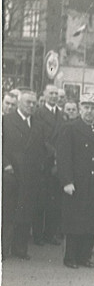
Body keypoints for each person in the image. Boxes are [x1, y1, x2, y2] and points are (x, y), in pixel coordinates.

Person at [56, 94, 94, 268]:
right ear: (80, 108)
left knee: (92, 221)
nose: (89, 111)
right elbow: (63, 157)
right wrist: (67, 181)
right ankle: (70, 257)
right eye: (86, 107)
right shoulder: (70, 128)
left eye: (93, 108)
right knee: (74, 221)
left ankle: (85, 256)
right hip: (77, 182)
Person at [2, 91, 46, 260]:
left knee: (25, 213)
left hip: (30, 176)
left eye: (34, 103)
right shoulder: (6, 121)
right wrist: (5, 164)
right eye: (28, 102)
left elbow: (41, 147)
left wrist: (40, 165)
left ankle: (20, 249)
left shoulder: (38, 124)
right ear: (19, 102)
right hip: (11, 174)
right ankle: (3, 249)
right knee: (8, 214)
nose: (31, 106)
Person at [32, 84, 66, 247]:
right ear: (44, 95)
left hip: (57, 162)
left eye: (56, 94)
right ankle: (37, 235)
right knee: (40, 200)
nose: (54, 96)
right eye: (51, 93)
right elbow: (38, 136)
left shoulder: (61, 114)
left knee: (54, 200)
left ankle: (50, 234)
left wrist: (59, 156)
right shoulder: (38, 113)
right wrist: (53, 152)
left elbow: (63, 137)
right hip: (43, 161)